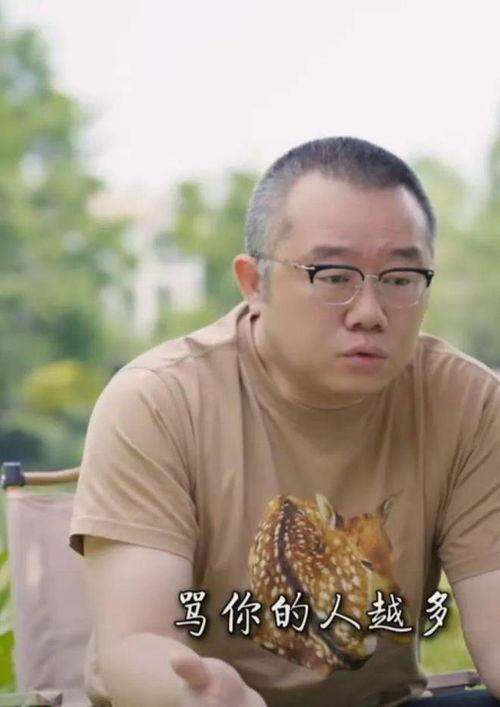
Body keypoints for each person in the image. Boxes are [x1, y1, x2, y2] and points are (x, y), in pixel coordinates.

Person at [69, 137, 500, 707]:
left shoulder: (468, 402)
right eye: (334, 276)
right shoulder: (159, 401)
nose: (369, 313)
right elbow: (135, 644)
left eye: (399, 279)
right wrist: (198, 695)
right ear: (255, 283)